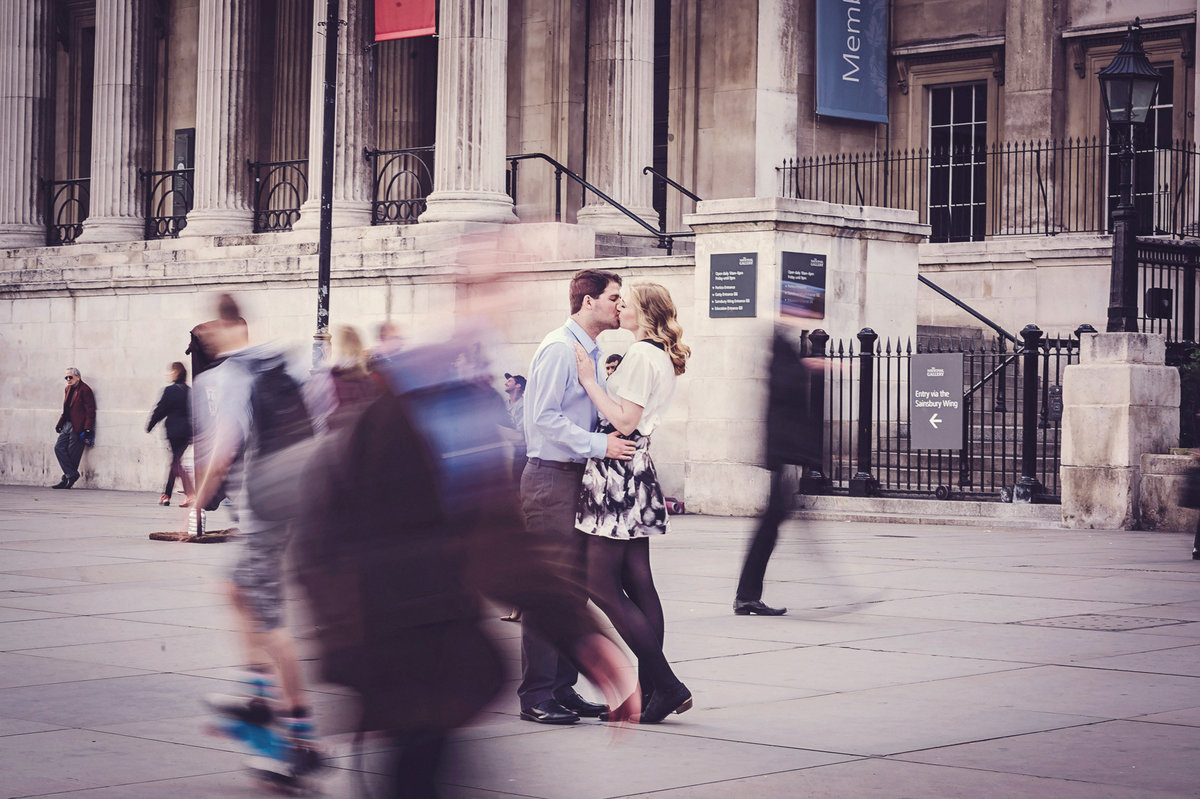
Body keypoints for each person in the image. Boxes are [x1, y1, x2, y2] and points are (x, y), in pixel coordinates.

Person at [293, 327, 637, 798]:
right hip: (398, 647)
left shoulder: (458, 406)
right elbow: (325, 540)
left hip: (433, 654)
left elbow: (496, 542)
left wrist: (580, 634)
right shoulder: (399, 413)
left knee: (423, 766)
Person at [190, 295, 321, 787]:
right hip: (288, 505)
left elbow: (225, 444)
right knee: (238, 594)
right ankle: (258, 695)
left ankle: (299, 738)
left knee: (270, 623)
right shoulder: (281, 362)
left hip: (266, 510)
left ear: (226, 329)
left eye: (209, 335)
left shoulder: (229, 377)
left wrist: (199, 497)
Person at [518, 268, 637, 725]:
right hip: (551, 479)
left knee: (574, 591)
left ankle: (562, 688)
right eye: (613, 297)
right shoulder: (557, 348)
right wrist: (599, 445)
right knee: (548, 588)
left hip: (578, 479)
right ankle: (536, 695)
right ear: (588, 302)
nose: (619, 305)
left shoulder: (593, 350)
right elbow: (542, 418)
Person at [573, 281, 693, 724]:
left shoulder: (643, 355)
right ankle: (653, 692)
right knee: (639, 582)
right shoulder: (651, 355)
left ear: (643, 312)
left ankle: (666, 683)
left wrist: (589, 381)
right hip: (633, 470)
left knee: (599, 583)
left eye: (626, 303)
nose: (619, 306)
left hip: (617, 472)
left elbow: (624, 419)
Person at [733, 318, 824, 616]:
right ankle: (746, 595)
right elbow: (786, 395)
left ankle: (747, 595)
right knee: (769, 525)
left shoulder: (780, 347)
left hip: (784, 453)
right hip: (783, 454)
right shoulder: (780, 346)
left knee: (770, 525)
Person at [303, 324, 383, 434]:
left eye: (328, 344)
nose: (325, 347)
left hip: (333, 444)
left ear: (333, 348)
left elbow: (316, 424)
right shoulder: (371, 381)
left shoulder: (324, 381)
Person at [146, 361, 194, 506]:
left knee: (176, 463)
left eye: (171, 371)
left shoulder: (170, 391)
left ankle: (187, 494)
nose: (169, 374)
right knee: (176, 462)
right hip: (187, 433)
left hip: (174, 432)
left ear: (176, 373)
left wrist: (150, 424)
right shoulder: (190, 391)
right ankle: (167, 495)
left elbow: (160, 410)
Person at [51, 367, 97, 489]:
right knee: (58, 447)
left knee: (72, 454)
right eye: (66, 377)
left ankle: (66, 479)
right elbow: (66, 409)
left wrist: (88, 429)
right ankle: (71, 475)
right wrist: (59, 424)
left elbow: (90, 411)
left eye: (70, 377)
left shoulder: (85, 390)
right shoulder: (68, 389)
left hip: (78, 426)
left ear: (78, 377)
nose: (68, 379)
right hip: (67, 424)